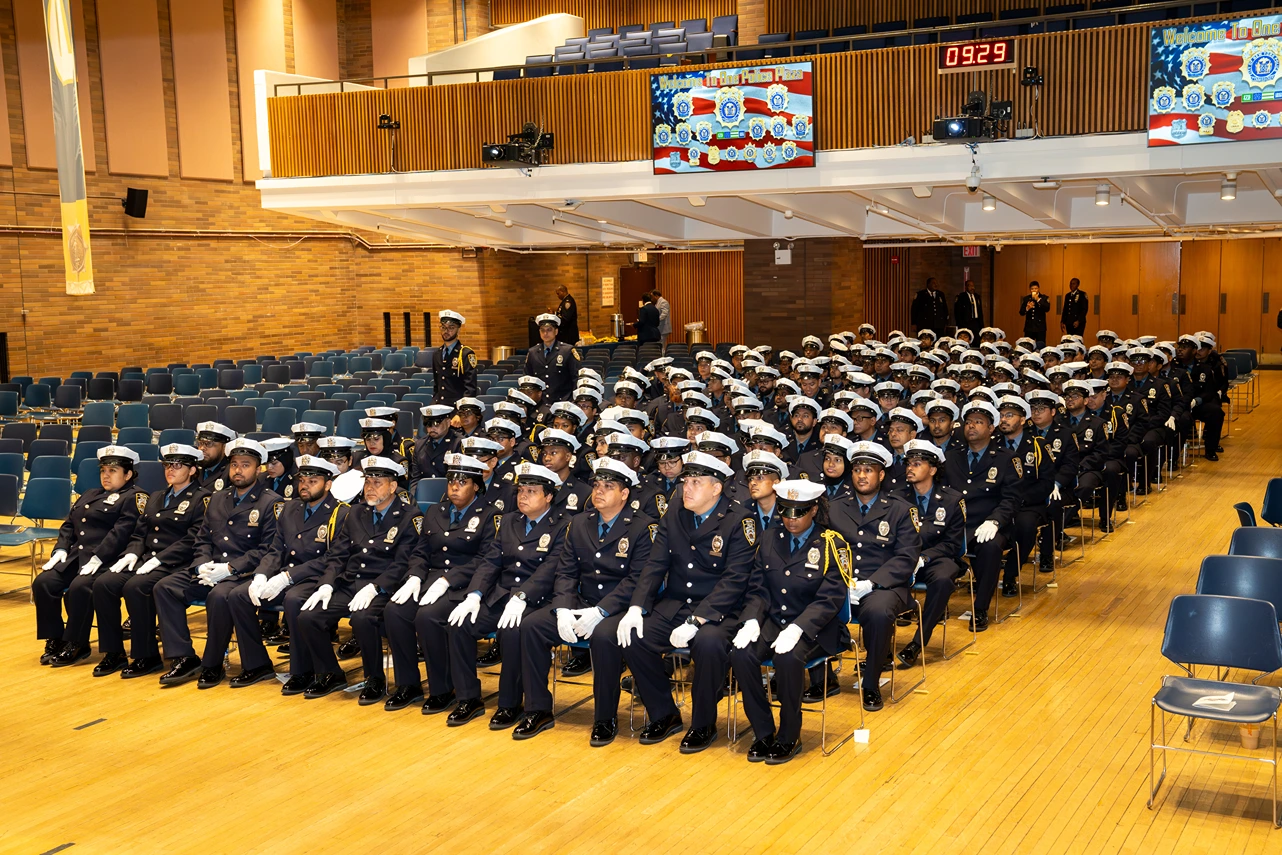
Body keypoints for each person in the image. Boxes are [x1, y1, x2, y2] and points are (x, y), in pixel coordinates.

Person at [607, 450, 757, 753]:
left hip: (719, 610)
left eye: (696, 482)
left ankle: (703, 723)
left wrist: (696, 620)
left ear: (716, 488)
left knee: (709, 643)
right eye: (686, 481)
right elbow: (654, 564)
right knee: (634, 636)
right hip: (675, 604)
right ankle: (664, 713)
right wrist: (636, 607)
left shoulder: (739, 520)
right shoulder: (674, 513)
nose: (685, 487)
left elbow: (734, 580)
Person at [515, 457, 656, 743]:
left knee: (604, 637)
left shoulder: (642, 527)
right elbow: (566, 571)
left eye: (608, 486)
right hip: (581, 601)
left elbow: (638, 579)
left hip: (618, 608)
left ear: (625, 493)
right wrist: (563, 607)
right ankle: (538, 708)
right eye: (596, 485)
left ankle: (605, 717)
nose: (599, 491)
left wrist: (602, 611)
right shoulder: (580, 522)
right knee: (532, 626)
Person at [731, 479, 851, 764]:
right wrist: (751, 620)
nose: (790, 519)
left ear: (813, 510)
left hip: (816, 628)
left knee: (787, 658)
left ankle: (789, 734)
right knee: (740, 654)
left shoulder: (832, 544)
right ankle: (763, 731)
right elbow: (759, 588)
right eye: (785, 511)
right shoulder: (771, 538)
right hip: (775, 621)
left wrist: (799, 628)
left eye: (798, 512)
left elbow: (830, 599)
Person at [443, 462, 569, 730]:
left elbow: (551, 568)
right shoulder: (510, 519)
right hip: (501, 597)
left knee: (512, 632)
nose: (522, 496)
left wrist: (523, 596)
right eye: (521, 490)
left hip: (537, 600)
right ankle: (468, 698)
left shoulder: (562, 524)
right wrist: (474, 594)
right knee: (459, 624)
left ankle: (510, 704)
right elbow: (491, 561)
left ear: (549, 496)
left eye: (531, 491)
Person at [152, 439, 282, 688]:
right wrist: (201, 565)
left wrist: (230, 569)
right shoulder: (218, 498)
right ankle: (184, 657)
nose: (238, 470)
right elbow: (202, 539)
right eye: (234, 464)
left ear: (259, 469)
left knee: (219, 596)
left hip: (243, 573)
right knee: (165, 587)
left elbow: (268, 549)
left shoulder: (270, 502)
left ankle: (212, 664)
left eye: (246, 465)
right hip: (211, 569)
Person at [295, 456, 423, 703]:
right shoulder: (355, 513)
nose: (370, 488)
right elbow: (338, 554)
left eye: (377, 482)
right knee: (308, 616)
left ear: (393, 486)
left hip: (384, 587)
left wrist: (376, 587)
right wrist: (326, 584)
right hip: (351, 583)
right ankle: (330, 673)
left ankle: (374, 678)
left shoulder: (408, 516)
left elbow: (403, 563)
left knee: (363, 619)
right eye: (368, 483)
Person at [383, 453, 499, 712]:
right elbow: (421, 551)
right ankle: (409, 684)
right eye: (451, 481)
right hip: (429, 581)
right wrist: (414, 576)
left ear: (476, 486)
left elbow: (485, 559)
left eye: (463, 482)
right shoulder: (436, 510)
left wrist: (448, 580)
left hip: (463, 587)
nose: (455, 487)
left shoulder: (490, 515)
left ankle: (445, 689)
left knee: (428, 617)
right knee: (395, 611)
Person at [226, 455, 349, 689]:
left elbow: (332, 558)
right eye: (302, 480)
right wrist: (262, 574)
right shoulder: (290, 507)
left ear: (328, 484)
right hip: (285, 575)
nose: (305, 485)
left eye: (313, 481)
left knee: (294, 600)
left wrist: (287, 577)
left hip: (316, 579)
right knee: (239, 595)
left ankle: (304, 670)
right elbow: (276, 548)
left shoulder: (340, 513)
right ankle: (256, 664)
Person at [825, 441, 920, 712]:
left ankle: (871, 683)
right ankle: (824, 678)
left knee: (878, 612)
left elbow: (907, 556)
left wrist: (872, 582)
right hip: (842, 582)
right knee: (809, 600)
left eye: (869, 470)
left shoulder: (901, 510)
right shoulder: (834, 507)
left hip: (885, 586)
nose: (861, 475)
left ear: (881, 475)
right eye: (856, 469)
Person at [35, 445, 146, 667]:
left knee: (80, 588)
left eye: (113, 471)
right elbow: (69, 524)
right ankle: (55, 638)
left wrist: (98, 557)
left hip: (109, 560)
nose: (106, 475)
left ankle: (76, 642)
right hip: (78, 557)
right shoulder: (90, 493)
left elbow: (121, 532)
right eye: (103, 470)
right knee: (44, 583)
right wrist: (61, 549)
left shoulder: (135, 497)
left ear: (129, 474)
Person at [106, 444, 209, 678]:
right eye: (167, 465)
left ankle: (147, 655)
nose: (170, 470)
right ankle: (113, 651)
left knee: (136, 587)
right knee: (106, 583)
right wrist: (132, 552)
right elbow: (139, 533)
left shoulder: (202, 499)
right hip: (147, 560)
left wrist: (159, 559)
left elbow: (193, 538)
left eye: (177, 465)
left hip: (176, 563)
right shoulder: (157, 496)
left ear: (193, 470)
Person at [941, 402, 1024, 631]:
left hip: (989, 524)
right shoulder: (951, 456)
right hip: (957, 525)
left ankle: (980, 608)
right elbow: (943, 494)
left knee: (990, 547)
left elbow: (1011, 499)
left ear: (991, 428)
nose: (971, 427)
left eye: (978, 422)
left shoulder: (1006, 458)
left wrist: (995, 521)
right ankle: (938, 603)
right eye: (968, 422)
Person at [894, 441, 966, 667]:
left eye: (917, 464)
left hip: (935, 560)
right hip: (903, 559)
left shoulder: (952, 500)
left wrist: (924, 557)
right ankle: (882, 648)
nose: (910, 468)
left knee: (944, 577)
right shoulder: (896, 498)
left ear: (933, 470)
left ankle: (918, 642)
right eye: (908, 464)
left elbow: (953, 544)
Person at [526, 313, 580, 403]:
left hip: (563, 402)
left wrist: (573, 402)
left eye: (549, 330)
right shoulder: (533, 352)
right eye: (542, 330)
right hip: (540, 404)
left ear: (556, 331)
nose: (545, 333)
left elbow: (576, 379)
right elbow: (528, 378)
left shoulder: (567, 351)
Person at [433, 310, 479, 405]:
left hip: (457, 408)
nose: (446, 331)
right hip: (440, 407)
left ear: (458, 330)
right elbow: (437, 386)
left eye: (451, 328)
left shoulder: (466, 354)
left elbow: (470, 389)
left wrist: (461, 412)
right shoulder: (437, 354)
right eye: (443, 327)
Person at [1019, 281, 1051, 348]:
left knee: (1041, 346)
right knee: (1027, 346)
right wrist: (1027, 308)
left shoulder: (1044, 298)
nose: (1034, 290)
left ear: (1038, 288)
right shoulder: (1026, 299)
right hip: (1029, 327)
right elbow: (1021, 312)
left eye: (1035, 288)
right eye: (1032, 289)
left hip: (1040, 327)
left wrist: (1038, 299)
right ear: (1030, 289)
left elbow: (1047, 308)